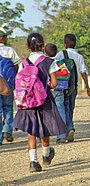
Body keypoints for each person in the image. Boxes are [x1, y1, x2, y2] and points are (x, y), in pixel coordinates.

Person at [13, 33, 68, 172]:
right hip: (44, 101)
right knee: (45, 129)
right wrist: (44, 89)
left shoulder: (23, 63)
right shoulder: (49, 62)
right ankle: (46, 155)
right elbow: (54, 83)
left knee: (31, 131)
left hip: (28, 102)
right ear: (43, 45)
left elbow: (19, 83)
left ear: (27, 46)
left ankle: (33, 162)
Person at [55, 34, 90, 143]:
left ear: (64, 43)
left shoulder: (60, 54)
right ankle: (69, 128)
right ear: (75, 43)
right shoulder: (79, 56)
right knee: (70, 108)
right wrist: (87, 87)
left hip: (62, 86)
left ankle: (68, 128)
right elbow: (83, 72)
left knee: (64, 107)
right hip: (73, 87)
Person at [0, 24, 21, 144]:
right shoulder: (9, 50)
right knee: (8, 107)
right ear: (2, 38)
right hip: (8, 84)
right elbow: (16, 66)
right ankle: (7, 130)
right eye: (5, 37)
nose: (6, 38)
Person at [44, 43, 69, 144]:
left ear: (45, 53)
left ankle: (44, 134)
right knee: (61, 110)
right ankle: (61, 135)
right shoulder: (61, 63)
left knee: (46, 113)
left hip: (47, 90)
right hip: (59, 90)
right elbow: (68, 74)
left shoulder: (45, 63)